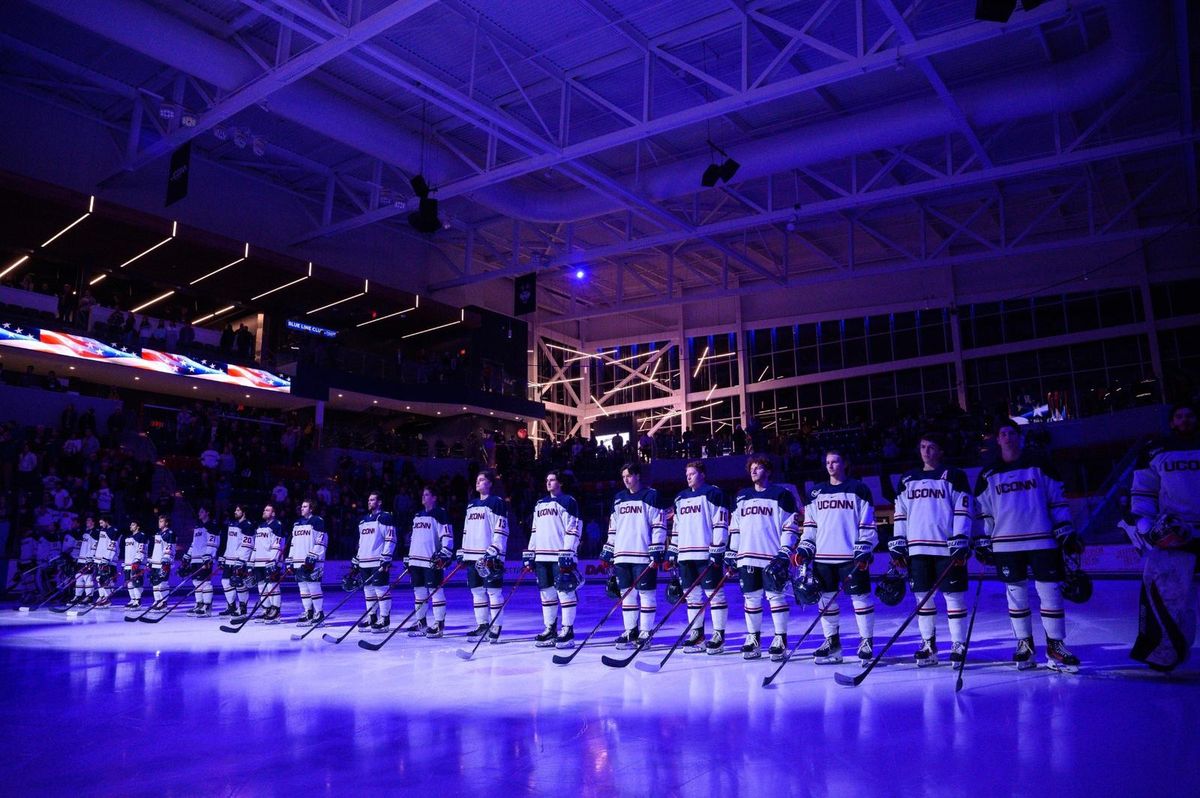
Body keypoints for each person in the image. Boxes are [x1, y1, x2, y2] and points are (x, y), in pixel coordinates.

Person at [975, 419, 1079, 673]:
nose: (1007, 437)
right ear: (997, 439)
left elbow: (1057, 498)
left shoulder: (1040, 464)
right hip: (1005, 544)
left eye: (1012, 432)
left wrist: (1065, 527)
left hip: (1042, 539)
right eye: (1003, 433)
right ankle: (1025, 645)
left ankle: (1055, 646)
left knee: (1050, 592)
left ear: (1019, 437)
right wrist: (983, 540)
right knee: (1016, 595)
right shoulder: (988, 474)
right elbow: (984, 513)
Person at [891, 433, 974, 666]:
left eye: (931, 447)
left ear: (941, 451)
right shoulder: (907, 479)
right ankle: (928, 645)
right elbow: (901, 513)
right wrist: (899, 541)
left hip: (947, 549)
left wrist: (961, 538)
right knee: (922, 599)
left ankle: (958, 644)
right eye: (922, 447)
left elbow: (964, 508)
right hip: (917, 549)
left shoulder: (954, 475)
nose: (926, 451)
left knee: (953, 597)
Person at [1128, 402, 1200, 671]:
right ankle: (1166, 654)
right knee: (1169, 597)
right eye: (1179, 416)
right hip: (1176, 533)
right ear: (1171, 422)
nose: (1185, 419)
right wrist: (1146, 524)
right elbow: (1143, 491)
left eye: (1189, 415)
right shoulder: (1155, 450)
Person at [795, 450, 878, 665]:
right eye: (827, 462)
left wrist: (865, 547)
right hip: (823, 557)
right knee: (826, 600)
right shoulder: (815, 493)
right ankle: (832, 643)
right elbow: (810, 527)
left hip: (851, 556)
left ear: (845, 463)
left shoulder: (858, 489)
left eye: (835, 462)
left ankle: (866, 642)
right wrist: (804, 548)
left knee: (860, 599)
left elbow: (867, 523)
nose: (830, 466)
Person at [728, 456, 799, 660]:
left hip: (772, 557)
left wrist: (785, 550)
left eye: (758, 468)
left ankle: (780, 639)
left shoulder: (781, 494)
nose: (753, 471)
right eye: (751, 468)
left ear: (768, 471)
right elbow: (735, 527)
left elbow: (789, 525)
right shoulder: (742, 496)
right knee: (751, 598)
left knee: (776, 597)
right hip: (746, 556)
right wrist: (732, 552)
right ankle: (753, 639)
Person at [602, 461, 668, 649]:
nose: (626, 480)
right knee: (627, 595)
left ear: (638, 476)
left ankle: (645, 632)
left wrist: (657, 547)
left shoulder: (651, 495)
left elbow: (659, 524)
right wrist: (609, 548)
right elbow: (613, 527)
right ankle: (631, 630)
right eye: (623, 477)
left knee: (646, 594)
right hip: (621, 554)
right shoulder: (618, 498)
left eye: (629, 476)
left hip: (643, 554)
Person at [669, 460, 731, 655]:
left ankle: (718, 635)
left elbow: (720, 522)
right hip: (685, 555)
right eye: (687, 474)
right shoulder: (680, 498)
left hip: (706, 554)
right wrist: (673, 549)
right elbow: (676, 526)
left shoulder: (714, 493)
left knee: (715, 595)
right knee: (692, 597)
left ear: (702, 474)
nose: (688, 477)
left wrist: (718, 548)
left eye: (692, 473)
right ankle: (697, 635)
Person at [525, 471, 583, 648]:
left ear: (561, 483)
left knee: (565, 592)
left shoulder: (568, 501)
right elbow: (534, 530)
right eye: (547, 480)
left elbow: (573, 528)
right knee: (546, 594)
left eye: (552, 480)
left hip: (560, 556)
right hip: (541, 556)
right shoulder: (540, 503)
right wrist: (530, 552)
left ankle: (567, 630)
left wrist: (568, 552)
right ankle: (550, 629)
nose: (548, 483)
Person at [457, 469, 510, 643]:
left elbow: (501, 527)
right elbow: (466, 530)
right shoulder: (471, 505)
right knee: (477, 591)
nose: (478, 482)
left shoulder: (496, 502)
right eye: (477, 480)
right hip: (472, 555)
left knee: (494, 592)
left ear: (490, 483)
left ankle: (496, 626)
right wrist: (463, 550)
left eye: (481, 479)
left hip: (490, 556)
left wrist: (495, 548)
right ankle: (482, 625)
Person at [405, 487, 453, 637]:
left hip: (431, 560)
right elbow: (414, 538)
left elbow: (447, 534)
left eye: (426, 495)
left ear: (434, 497)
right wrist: (410, 556)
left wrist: (445, 552)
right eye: (423, 494)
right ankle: (421, 622)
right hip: (416, 560)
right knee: (419, 592)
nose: (423, 497)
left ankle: (439, 624)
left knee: (435, 591)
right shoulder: (417, 515)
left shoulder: (440, 513)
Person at [353, 491, 398, 633]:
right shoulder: (363, 521)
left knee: (381, 590)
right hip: (364, 561)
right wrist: (358, 557)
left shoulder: (385, 518)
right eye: (369, 500)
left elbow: (390, 538)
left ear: (379, 502)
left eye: (372, 500)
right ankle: (372, 617)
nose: (369, 502)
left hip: (378, 561)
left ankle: (384, 619)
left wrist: (386, 557)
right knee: (368, 590)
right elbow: (361, 542)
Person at [287, 499, 327, 626]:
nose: (302, 508)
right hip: (298, 560)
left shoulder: (318, 521)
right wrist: (290, 559)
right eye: (302, 506)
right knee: (303, 588)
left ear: (311, 509)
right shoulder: (297, 523)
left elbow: (322, 539)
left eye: (305, 507)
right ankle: (308, 612)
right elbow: (293, 543)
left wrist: (313, 556)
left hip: (312, 561)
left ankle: (319, 613)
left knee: (314, 587)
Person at [249, 504, 285, 622]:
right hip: (259, 561)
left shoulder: (277, 525)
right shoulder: (260, 526)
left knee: (272, 586)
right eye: (264, 509)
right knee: (261, 587)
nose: (264, 511)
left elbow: (278, 544)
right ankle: (266, 609)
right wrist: (251, 561)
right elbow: (256, 545)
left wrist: (273, 560)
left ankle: (276, 611)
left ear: (273, 513)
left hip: (270, 561)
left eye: (267, 510)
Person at [181, 507, 219, 617]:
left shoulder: (211, 526)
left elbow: (214, 542)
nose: (199, 513)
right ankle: (199, 604)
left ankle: (207, 607)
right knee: (196, 583)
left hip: (204, 559)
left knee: (205, 583)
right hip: (195, 559)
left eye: (202, 511)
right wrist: (188, 555)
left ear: (208, 512)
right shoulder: (198, 526)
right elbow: (194, 543)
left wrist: (209, 556)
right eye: (199, 511)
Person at [148, 514, 177, 611]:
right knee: (155, 582)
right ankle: (157, 601)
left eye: (161, 521)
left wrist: (167, 560)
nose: (159, 523)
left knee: (162, 583)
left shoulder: (170, 533)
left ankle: (163, 602)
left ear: (166, 523)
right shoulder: (158, 533)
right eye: (159, 521)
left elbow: (170, 548)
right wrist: (151, 560)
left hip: (163, 562)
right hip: (155, 562)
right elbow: (156, 549)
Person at [92, 515, 121, 609]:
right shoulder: (102, 530)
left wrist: (107, 558)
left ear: (106, 521)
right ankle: (102, 597)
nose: (100, 525)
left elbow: (113, 545)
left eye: (102, 523)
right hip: (99, 559)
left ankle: (107, 599)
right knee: (98, 578)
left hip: (108, 560)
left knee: (105, 579)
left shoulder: (113, 530)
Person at [69, 515, 99, 606]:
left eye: (89, 520)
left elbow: (95, 546)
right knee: (78, 577)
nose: (87, 522)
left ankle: (89, 597)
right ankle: (77, 596)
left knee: (88, 578)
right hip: (80, 559)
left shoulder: (96, 532)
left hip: (88, 559)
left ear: (93, 522)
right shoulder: (85, 532)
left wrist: (92, 558)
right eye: (87, 520)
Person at [123, 519, 148, 610]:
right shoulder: (128, 538)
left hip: (137, 563)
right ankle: (132, 599)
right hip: (128, 563)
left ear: (138, 527)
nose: (130, 526)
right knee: (129, 583)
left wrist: (138, 560)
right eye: (131, 525)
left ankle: (138, 601)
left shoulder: (141, 536)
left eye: (133, 525)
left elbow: (142, 549)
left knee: (136, 582)